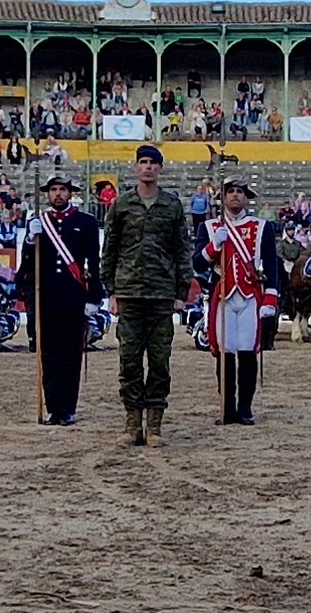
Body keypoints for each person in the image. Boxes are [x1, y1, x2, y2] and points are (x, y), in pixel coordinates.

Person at [103, 144, 192, 447]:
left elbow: (182, 250)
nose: (148, 167)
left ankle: (154, 425)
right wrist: (111, 291)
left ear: (160, 169)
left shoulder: (172, 205)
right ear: (135, 167)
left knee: (159, 361)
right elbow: (110, 250)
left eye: (153, 163)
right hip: (128, 293)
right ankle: (132, 424)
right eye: (143, 162)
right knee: (128, 361)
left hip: (161, 294)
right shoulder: (122, 204)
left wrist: (181, 292)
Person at [20, 175, 102, 426]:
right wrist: (29, 239)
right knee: (49, 355)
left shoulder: (85, 223)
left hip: (73, 298)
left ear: (71, 193)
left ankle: (67, 409)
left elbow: (93, 262)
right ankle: (53, 407)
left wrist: (93, 297)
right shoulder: (38, 223)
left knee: (70, 356)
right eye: (53, 189)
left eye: (62, 190)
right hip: (45, 298)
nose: (57, 194)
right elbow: (27, 262)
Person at [203, 180, 283, 426]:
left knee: (248, 351)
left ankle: (245, 408)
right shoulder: (210, 227)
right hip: (224, 295)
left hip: (250, 296)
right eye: (231, 192)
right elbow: (198, 263)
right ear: (223, 198)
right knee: (225, 354)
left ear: (246, 198)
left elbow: (271, 264)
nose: (235, 196)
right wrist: (214, 245)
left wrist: (270, 297)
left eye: (240, 192)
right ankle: (227, 409)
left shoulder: (262, 227)